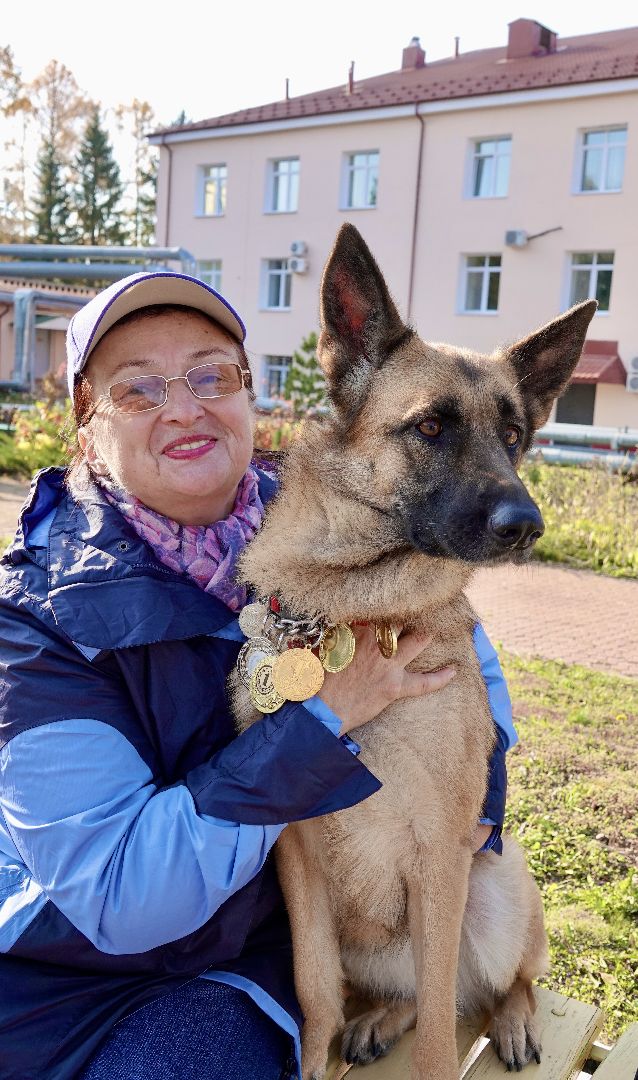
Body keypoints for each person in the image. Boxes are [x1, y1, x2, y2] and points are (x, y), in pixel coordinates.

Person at [0, 271, 514, 1080]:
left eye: (211, 375)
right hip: (81, 982)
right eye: (137, 391)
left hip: (253, 955)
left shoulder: (326, 519)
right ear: (86, 422)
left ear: (249, 394)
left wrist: (479, 795)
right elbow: (120, 898)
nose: (184, 406)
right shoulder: (32, 626)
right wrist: (314, 727)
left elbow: (461, 649)